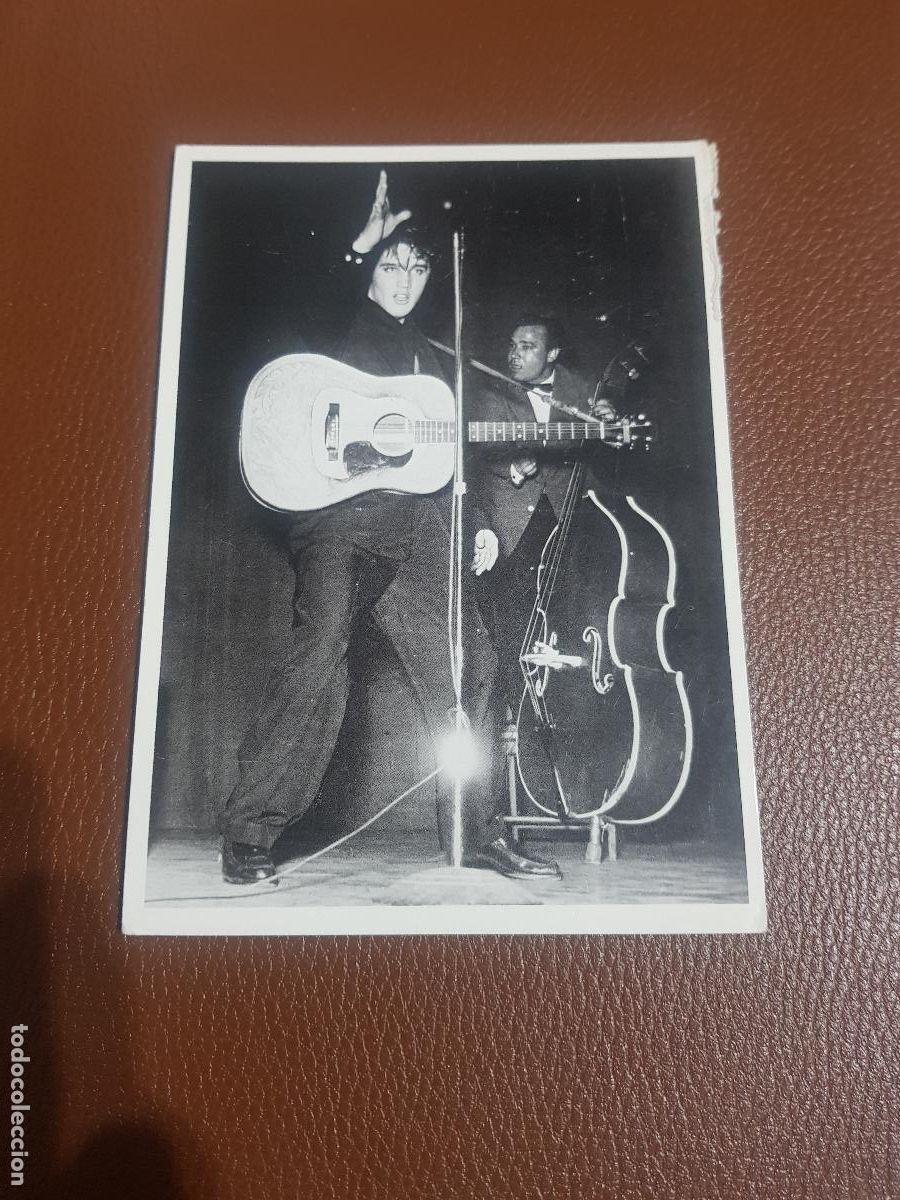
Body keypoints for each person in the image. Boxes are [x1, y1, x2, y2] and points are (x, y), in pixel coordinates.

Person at [220, 175, 560, 884]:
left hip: (416, 526)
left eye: (417, 266)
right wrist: (355, 250)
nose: (404, 279)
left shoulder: (435, 363)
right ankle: (250, 834)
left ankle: (476, 834)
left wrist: (484, 521)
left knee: (474, 665)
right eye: (390, 264)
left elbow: (448, 456)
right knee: (320, 655)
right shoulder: (334, 318)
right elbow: (296, 308)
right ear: (371, 271)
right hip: (339, 520)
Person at [471, 317, 617, 709]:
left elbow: (605, 451)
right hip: (516, 521)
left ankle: (571, 707)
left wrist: (605, 423)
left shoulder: (582, 390)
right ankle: (513, 712)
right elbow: (476, 454)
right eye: (512, 344)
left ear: (552, 353)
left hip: (570, 513)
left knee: (576, 616)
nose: (514, 354)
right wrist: (513, 467)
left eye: (528, 346)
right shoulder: (492, 388)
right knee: (513, 623)